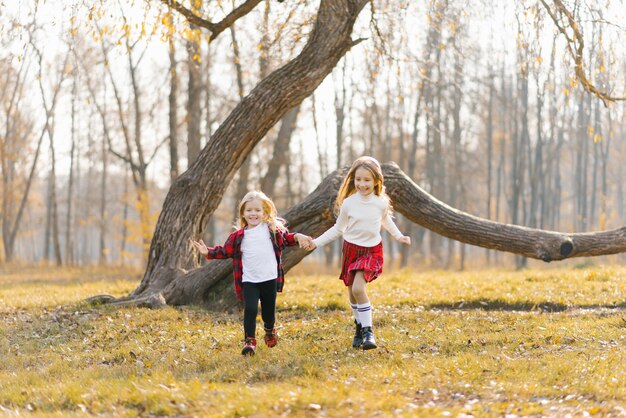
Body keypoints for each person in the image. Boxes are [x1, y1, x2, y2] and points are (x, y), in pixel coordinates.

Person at [301, 156, 411, 350]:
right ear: (353, 180)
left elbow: (386, 221)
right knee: (352, 294)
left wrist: (399, 236)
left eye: (367, 180)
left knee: (359, 289)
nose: (362, 184)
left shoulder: (380, 203)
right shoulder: (349, 204)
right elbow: (338, 229)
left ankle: (369, 332)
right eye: (358, 179)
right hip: (351, 250)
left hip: (371, 251)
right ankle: (359, 326)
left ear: (377, 181)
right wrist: (316, 243)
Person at [191, 191, 310, 356]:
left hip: (269, 279)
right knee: (251, 309)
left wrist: (298, 236)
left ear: (264, 212)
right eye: (249, 210)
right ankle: (249, 341)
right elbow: (225, 251)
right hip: (249, 280)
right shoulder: (239, 237)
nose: (253, 214)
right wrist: (208, 252)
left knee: (268, 312)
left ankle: (269, 329)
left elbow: (287, 239)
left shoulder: (272, 231)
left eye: (257, 210)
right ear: (243, 213)